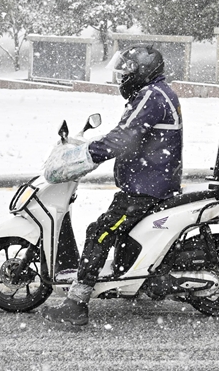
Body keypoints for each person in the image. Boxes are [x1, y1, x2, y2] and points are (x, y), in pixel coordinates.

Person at [41, 44, 183, 326]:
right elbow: (127, 133)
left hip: (147, 188)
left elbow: (125, 137)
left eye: (126, 71)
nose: (122, 78)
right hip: (149, 183)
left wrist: (87, 155)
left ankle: (77, 303)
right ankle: (134, 281)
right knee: (119, 232)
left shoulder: (151, 96)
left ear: (142, 71)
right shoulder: (154, 93)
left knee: (100, 232)